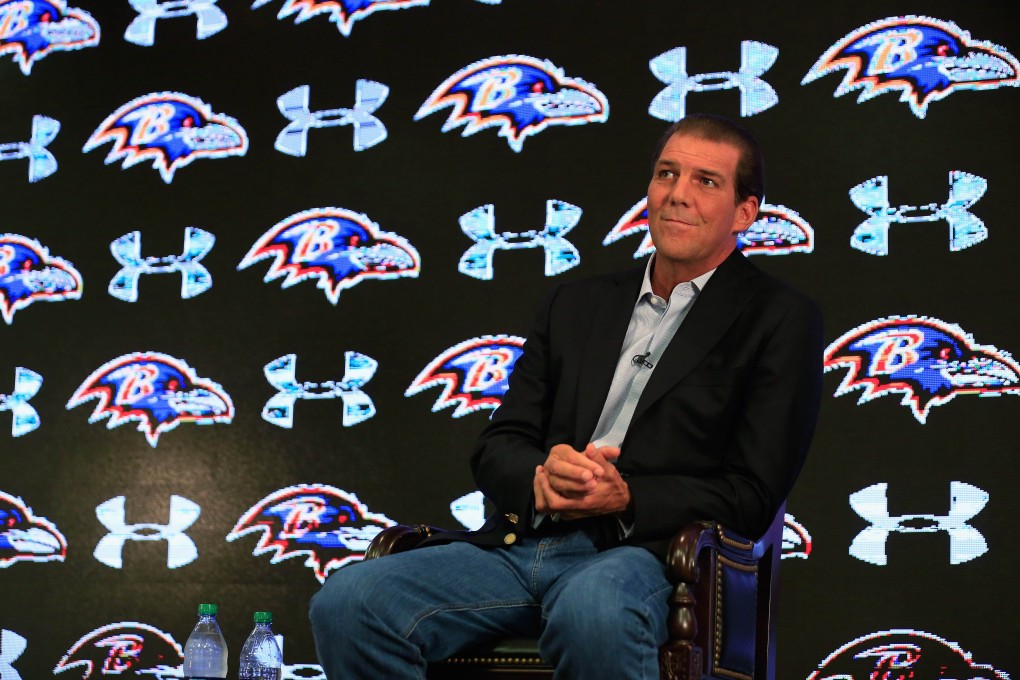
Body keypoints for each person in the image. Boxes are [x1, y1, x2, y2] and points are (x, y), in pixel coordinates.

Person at [309, 113, 824, 679]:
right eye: (666, 174)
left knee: (592, 609)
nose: (677, 195)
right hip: (524, 544)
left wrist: (625, 496)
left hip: (652, 559)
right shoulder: (574, 305)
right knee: (350, 601)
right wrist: (539, 476)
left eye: (706, 181)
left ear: (744, 212)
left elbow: (752, 493)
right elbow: (500, 443)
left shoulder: (779, 318)